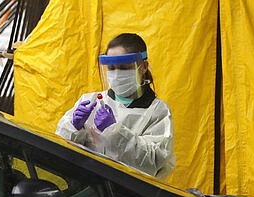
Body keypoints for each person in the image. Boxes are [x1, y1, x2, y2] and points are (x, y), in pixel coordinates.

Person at [56, 33, 175, 180]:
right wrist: (73, 128)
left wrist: (115, 132)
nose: (117, 74)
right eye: (111, 68)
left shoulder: (158, 111)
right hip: (90, 191)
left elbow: (153, 163)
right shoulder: (90, 100)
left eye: (124, 68)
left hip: (132, 196)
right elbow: (62, 154)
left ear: (143, 67)